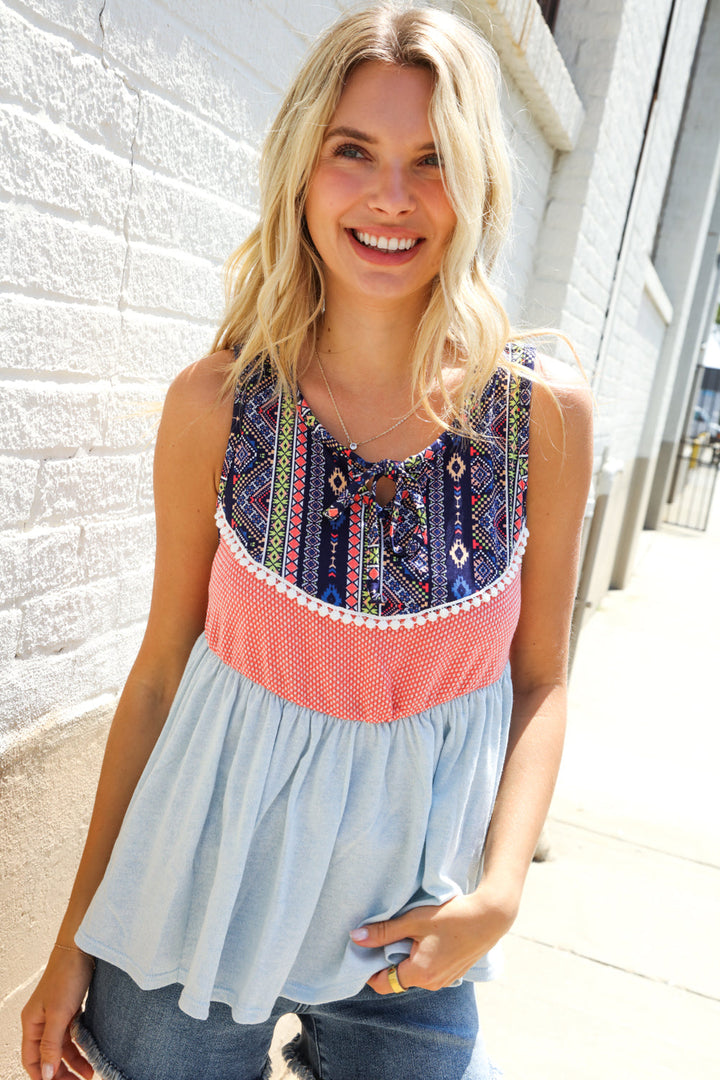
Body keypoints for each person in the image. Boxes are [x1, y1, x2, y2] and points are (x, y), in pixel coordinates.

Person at [21, 5, 593, 1079]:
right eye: (354, 152)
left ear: (477, 186)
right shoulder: (218, 406)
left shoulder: (539, 418)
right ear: (301, 169)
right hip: (197, 908)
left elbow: (544, 679)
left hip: (414, 940)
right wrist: (70, 944)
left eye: (433, 161)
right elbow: (156, 680)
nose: (391, 195)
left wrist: (501, 893)